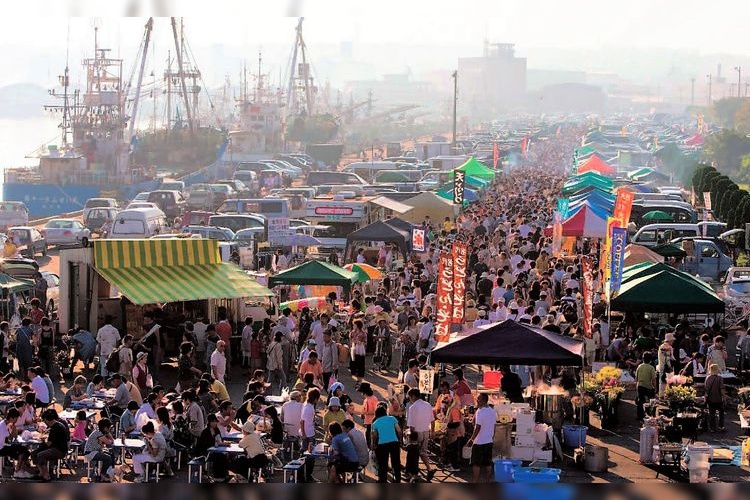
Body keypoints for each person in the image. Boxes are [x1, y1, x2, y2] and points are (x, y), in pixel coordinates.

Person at [31, 409, 69, 482]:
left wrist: (42, 441)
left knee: (41, 455)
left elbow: (49, 443)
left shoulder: (55, 428)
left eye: (44, 421)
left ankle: (46, 476)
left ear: (46, 420)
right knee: (34, 454)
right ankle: (41, 472)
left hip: (59, 450)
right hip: (56, 447)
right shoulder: (56, 425)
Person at [406, 387, 436, 481]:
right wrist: (433, 431)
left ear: (413, 396)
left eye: (410, 397)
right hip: (426, 431)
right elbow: (432, 420)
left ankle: (414, 474)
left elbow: (411, 425)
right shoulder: (427, 404)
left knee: (414, 454)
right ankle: (429, 469)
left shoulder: (413, 407)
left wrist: (411, 435)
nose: (409, 399)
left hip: (416, 433)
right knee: (423, 452)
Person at [466, 393, 495, 483]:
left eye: (478, 399)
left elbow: (478, 427)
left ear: (483, 400)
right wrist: (492, 436)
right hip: (489, 441)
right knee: (488, 463)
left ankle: (475, 481)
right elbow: (494, 426)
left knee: (476, 463)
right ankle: (487, 482)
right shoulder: (492, 411)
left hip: (479, 441)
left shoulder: (480, 412)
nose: (477, 401)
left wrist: (472, 439)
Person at [371, 405, 402, 483]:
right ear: (385, 412)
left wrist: (373, 444)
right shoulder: (392, 418)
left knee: (383, 463)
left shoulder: (375, 423)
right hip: (394, 442)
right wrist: (400, 440)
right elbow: (399, 431)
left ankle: (383, 480)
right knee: (396, 462)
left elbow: (374, 435)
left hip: (382, 444)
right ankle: (397, 479)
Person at [0, 408, 33, 479]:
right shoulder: (2, 427)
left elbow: (12, 437)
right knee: (22, 450)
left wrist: (13, 429)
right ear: (11, 418)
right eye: (16, 419)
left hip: (5, 445)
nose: (17, 420)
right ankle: (17, 471)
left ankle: (21, 470)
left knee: (26, 451)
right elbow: (7, 441)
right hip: (1, 448)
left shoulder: (8, 424)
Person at [83, 418, 116, 482]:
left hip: (95, 452)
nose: (109, 429)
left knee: (111, 455)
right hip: (90, 453)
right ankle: (102, 475)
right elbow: (109, 442)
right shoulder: (98, 433)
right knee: (108, 458)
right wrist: (109, 433)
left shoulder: (99, 432)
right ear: (105, 427)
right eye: (108, 427)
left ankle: (109, 473)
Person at [300, 388, 320, 482]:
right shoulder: (308, 407)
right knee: (309, 456)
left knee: (307, 456)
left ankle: (305, 475)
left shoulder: (308, 405)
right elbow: (302, 421)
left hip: (309, 432)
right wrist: (304, 434)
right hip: (308, 435)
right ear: (315, 398)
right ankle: (307, 476)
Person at [635, 352, 657, 421]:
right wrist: (655, 388)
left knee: (640, 401)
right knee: (651, 401)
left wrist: (637, 386)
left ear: (642, 359)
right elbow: (653, 379)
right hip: (649, 387)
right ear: (650, 360)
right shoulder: (651, 368)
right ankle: (650, 415)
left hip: (640, 385)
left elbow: (636, 378)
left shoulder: (639, 366)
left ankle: (639, 417)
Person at [705, 364, 726, 433]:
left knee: (711, 413)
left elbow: (706, 389)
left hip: (710, 399)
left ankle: (712, 428)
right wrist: (724, 397)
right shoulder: (719, 378)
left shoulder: (707, 378)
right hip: (718, 399)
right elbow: (721, 389)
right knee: (721, 412)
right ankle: (720, 426)